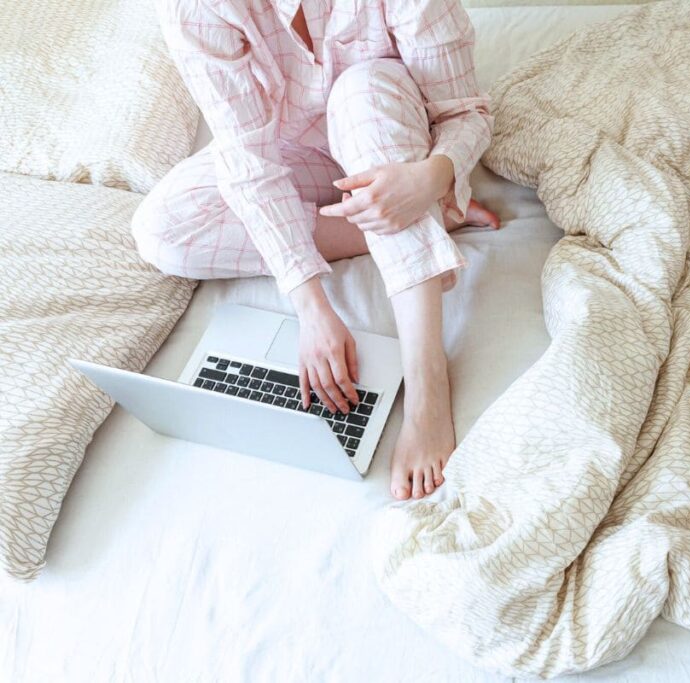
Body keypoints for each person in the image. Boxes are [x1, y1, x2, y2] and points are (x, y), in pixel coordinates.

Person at [133, 0, 498, 500]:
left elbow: (465, 113)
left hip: (393, 140)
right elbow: (250, 164)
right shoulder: (195, 8)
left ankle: (427, 383)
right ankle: (428, 221)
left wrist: (430, 177)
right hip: (297, 155)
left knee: (359, 90)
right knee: (162, 230)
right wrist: (310, 304)